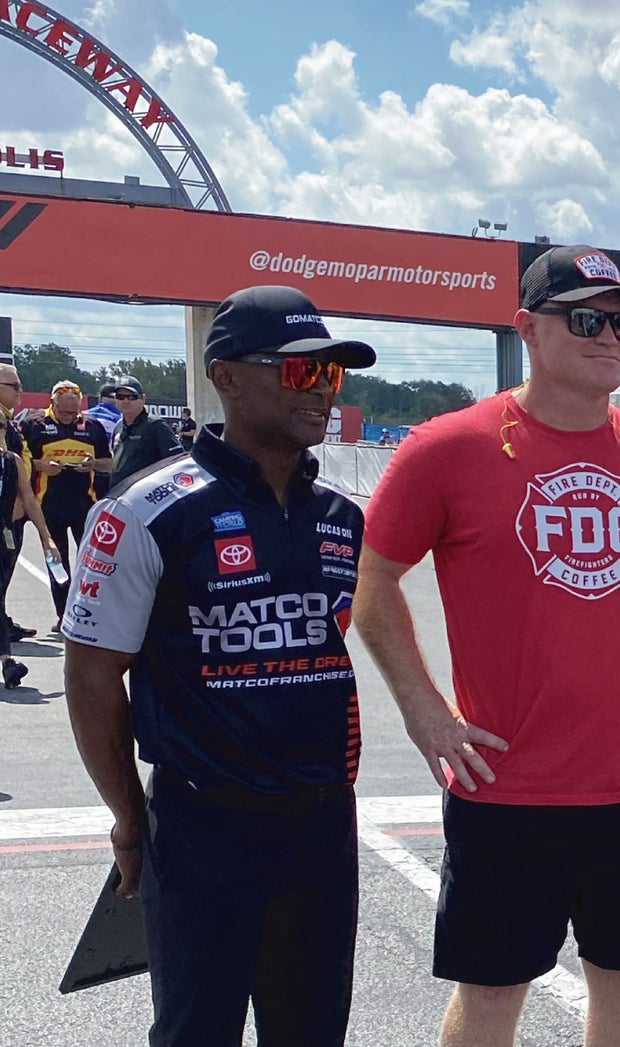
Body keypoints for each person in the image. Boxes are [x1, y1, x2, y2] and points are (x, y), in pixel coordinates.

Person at [354, 245, 620, 1047]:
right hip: (505, 786)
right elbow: (374, 581)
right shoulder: (447, 447)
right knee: (493, 992)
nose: (611, 338)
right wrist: (426, 711)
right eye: (587, 318)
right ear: (526, 327)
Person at [63, 285, 376, 1045]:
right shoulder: (146, 508)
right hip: (204, 826)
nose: (323, 393)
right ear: (226, 376)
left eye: (331, 376)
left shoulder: (342, 513)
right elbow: (92, 672)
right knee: (195, 1033)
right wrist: (131, 820)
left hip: (323, 822)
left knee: (311, 1033)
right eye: (301, 373)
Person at [23, 379, 112, 629]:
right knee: (57, 563)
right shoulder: (34, 424)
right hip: (48, 506)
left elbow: (109, 462)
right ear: (52, 403)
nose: (68, 416)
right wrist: (42, 466)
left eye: (73, 412)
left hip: (86, 506)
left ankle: (92, 612)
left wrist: (92, 464)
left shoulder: (92, 426)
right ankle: (64, 615)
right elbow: (19, 461)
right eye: (63, 411)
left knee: (93, 563)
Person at [0, 363, 58, 681]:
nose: (20, 392)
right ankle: (8, 660)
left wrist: (45, 536)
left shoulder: (12, 437)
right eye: (14, 386)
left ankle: (6, 646)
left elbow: (26, 488)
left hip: (11, 524)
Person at [107, 378, 186, 488]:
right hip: (120, 495)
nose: (126, 401)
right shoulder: (118, 427)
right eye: (121, 397)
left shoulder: (156, 425)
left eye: (132, 397)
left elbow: (177, 461)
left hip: (146, 495)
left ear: (143, 399)